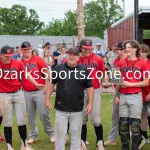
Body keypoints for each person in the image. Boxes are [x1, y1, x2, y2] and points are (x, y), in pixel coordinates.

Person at [45, 47, 94, 150]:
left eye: (74, 55)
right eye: (69, 54)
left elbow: (90, 87)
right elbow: (50, 83)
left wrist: (90, 103)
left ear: (78, 57)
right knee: (60, 134)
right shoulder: (58, 68)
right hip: (61, 107)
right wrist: (47, 99)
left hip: (77, 107)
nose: (71, 56)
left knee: (76, 134)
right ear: (66, 55)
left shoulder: (84, 70)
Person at [0, 45, 44, 150]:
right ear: (1, 55)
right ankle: (9, 146)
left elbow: (26, 74)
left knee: (22, 120)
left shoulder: (17, 62)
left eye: (10, 55)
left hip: (18, 92)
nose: (8, 58)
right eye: (6, 56)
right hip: (4, 94)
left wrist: (36, 83)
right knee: (7, 121)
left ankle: (24, 145)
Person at [115, 40, 149, 150]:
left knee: (135, 125)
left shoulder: (143, 63)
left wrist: (131, 83)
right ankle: (125, 147)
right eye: (126, 47)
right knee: (123, 124)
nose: (127, 49)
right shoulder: (121, 62)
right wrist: (116, 94)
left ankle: (134, 147)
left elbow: (146, 82)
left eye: (129, 47)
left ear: (135, 49)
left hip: (136, 96)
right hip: (123, 96)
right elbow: (118, 80)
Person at [20, 41, 55, 144]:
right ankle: (33, 135)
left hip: (39, 90)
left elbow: (47, 74)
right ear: (22, 51)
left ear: (31, 49)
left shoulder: (38, 59)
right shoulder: (20, 62)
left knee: (44, 113)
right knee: (30, 115)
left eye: (28, 49)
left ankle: (51, 133)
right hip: (26, 92)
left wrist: (46, 86)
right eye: (24, 50)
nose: (27, 51)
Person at [78, 38, 109, 150]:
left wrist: (104, 81)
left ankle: (100, 142)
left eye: (89, 48)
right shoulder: (76, 58)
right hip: (80, 91)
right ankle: (82, 143)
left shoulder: (97, 58)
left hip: (94, 90)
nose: (87, 50)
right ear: (80, 47)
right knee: (81, 119)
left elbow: (103, 72)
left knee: (96, 119)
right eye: (85, 48)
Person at [104, 41, 126, 146]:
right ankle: (112, 138)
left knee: (129, 118)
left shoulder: (129, 61)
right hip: (118, 91)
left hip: (129, 93)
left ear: (123, 50)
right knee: (115, 116)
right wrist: (109, 83)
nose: (115, 51)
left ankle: (133, 138)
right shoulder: (116, 60)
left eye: (118, 49)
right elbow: (115, 78)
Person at [138, 44, 150, 149]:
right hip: (142, 94)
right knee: (143, 115)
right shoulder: (138, 63)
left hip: (149, 92)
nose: (140, 53)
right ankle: (144, 136)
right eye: (139, 51)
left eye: (142, 51)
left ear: (146, 52)